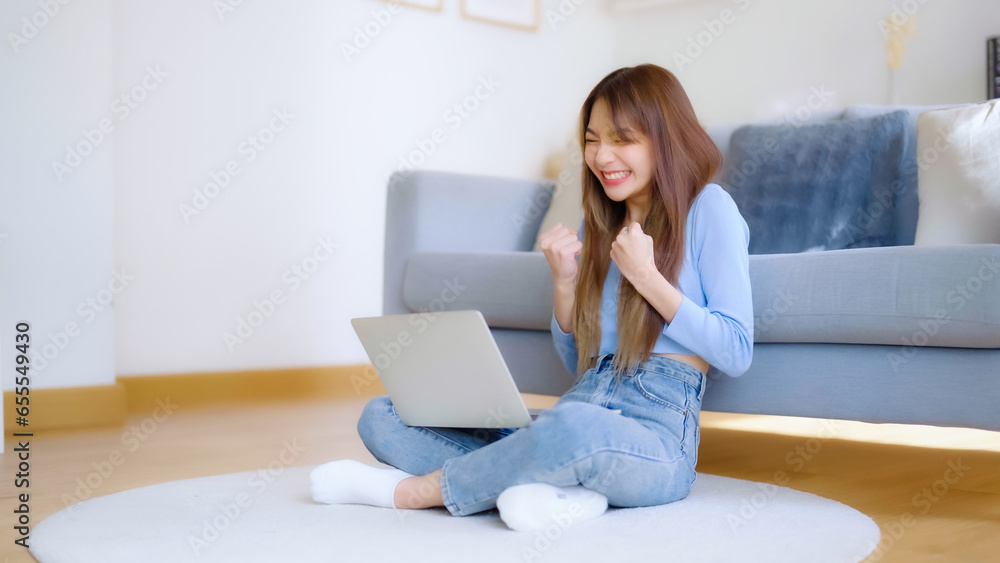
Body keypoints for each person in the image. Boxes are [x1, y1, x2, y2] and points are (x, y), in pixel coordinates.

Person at [308, 63, 754, 532]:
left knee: (569, 430)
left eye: (622, 139)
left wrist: (648, 278)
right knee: (384, 415)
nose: (602, 156)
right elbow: (580, 366)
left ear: (666, 139)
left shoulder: (710, 208)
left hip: (656, 439)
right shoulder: (598, 227)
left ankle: (416, 492)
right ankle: (562, 491)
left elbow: (736, 349)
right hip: (580, 407)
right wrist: (564, 284)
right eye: (592, 139)